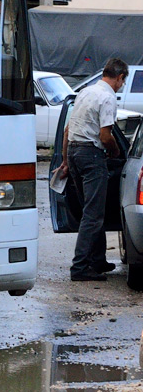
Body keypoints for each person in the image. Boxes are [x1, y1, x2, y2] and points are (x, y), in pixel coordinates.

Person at [58, 57, 128, 281]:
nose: (122, 85)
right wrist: (116, 152)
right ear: (119, 78)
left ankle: (98, 261)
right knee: (93, 215)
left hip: (75, 153)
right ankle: (79, 268)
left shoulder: (85, 92)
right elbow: (105, 136)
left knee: (90, 210)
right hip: (91, 156)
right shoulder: (107, 97)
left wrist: (66, 160)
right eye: (122, 82)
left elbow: (68, 129)